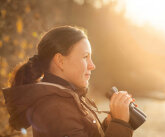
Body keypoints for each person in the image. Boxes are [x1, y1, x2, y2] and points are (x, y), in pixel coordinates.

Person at [2, 26, 134, 137]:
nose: (92, 65)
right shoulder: (55, 109)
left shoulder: (64, 99)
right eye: (85, 57)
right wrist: (120, 123)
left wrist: (109, 124)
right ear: (60, 61)